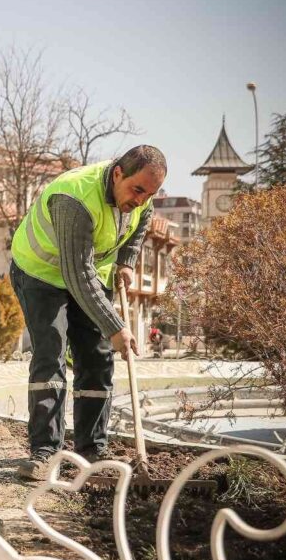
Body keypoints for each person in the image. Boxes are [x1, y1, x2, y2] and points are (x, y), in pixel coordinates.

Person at [9, 145, 167, 480]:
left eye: (149, 194)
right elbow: (76, 274)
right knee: (51, 353)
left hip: (89, 274)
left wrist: (126, 260)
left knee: (97, 357)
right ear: (118, 173)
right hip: (40, 274)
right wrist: (115, 326)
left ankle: (91, 451)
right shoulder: (74, 198)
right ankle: (45, 453)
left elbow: (142, 221)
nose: (141, 199)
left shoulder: (142, 197)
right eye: (137, 190)